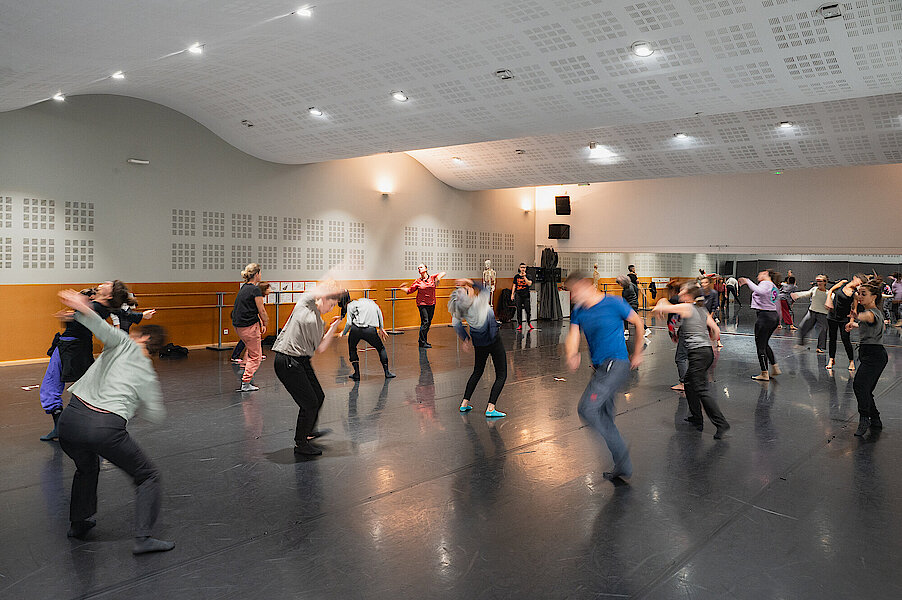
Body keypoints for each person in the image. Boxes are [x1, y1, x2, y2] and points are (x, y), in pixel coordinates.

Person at [53, 289, 173, 554]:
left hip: (70, 421)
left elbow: (100, 327)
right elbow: (155, 413)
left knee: (87, 467)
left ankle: (79, 523)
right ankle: (143, 538)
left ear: (143, 337)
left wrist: (81, 306)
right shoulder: (148, 373)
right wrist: (134, 403)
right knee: (148, 476)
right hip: (104, 428)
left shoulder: (122, 343)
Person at [564, 271, 645, 483]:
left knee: (587, 408)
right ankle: (621, 465)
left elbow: (638, 322)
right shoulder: (579, 310)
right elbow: (573, 335)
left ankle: (623, 457)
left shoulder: (614, 303)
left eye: (574, 291)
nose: (573, 297)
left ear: (585, 285)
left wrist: (637, 352)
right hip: (600, 368)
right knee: (605, 418)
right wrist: (572, 353)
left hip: (616, 364)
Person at [39, 281, 131, 441]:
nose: (104, 283)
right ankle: (62, 428)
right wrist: (71, 315)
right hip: (70, 346)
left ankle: (80, 426)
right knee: (56, 386)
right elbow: (80, 317)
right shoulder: (96, 305)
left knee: (59, 386)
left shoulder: (98, 308)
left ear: (109, 295)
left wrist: (76, 301)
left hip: (74, 348)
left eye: (109, 284)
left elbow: (86, 311)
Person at [272, 284, 343, 456]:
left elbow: (321, 347)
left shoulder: (318, 320)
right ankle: (301, 443)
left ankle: (309, 431)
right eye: (331, 304)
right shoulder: (305, 305)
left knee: (319, 396)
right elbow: (316, 289)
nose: (331, 309)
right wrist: (335, 288)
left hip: (302, 360)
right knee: (309, 403)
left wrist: (334, 326)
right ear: (323, 298)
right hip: (287, 361)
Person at [652, 282, 730, 439]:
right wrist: (710, 342)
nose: (679, 294)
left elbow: (663, 308)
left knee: (701, 389)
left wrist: (661, 302)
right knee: (688, 382)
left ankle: (721, 423)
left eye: (682, 292)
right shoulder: (701, 309)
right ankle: (696, 416)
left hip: (698, 354)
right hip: (706, 352)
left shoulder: (687, 307)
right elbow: (716, 329)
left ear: (688, 296)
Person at [449, 279, 507, 418]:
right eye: (466, 289)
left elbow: (456, 324)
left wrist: (466, 339)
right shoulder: (478, 302)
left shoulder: (460, 309)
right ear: (468, 296)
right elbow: (486, 289)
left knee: (477, 371)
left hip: (479, 342)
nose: (468, 288)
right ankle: (491, 408)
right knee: (501, 374)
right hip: (493, 340)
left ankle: (464, 403)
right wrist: (471, 281)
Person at [846, 279, 887, 436]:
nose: (860, 296)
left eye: (864, 294)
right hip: (871, 354)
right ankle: (875, 419)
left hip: (874, 356)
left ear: (874, 297)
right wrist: (855, 324)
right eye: (859, 293)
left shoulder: (873, 313)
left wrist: (857, 316)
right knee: (866, 389)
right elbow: (870, 324)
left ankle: (864, 418)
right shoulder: (876, 313)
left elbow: (868, 317)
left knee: (859, 385)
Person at [337, 291, 395, 381]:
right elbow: (379, 313)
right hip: (370, 330)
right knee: (381, 348)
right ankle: (387, 372)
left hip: (356, 329)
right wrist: (381, 328)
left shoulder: (351, 305)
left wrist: (343, 333)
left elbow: (349, 323)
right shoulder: (372, 303)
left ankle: (356, 374)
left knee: (352, 348)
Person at [739, 269, 782, 381]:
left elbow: (760, 291)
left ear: (766, 274)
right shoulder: (773, 286)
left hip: (765, 317)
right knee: (764, 343)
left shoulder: (765, 283)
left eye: (760, 273)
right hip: (773, 316)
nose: (758, 275)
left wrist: (747, 281)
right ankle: (775, 367)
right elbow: (777, 304)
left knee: (760, 346)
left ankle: (764, 373)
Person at [232, 263, 269, 392]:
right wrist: (265, 322)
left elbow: (249, 309)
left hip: (239, 326)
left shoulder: (244, 288)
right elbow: (261, 310)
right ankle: (246, 382)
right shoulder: (255, 290)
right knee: (256, 356)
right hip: (249, 327)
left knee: (250, 349)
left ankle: (245, 367)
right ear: (257, 274)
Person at [401, 263, 445, 348]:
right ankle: (422, 342)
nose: (419, 269)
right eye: (418, 268)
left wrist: (438, 278)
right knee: (425, 321)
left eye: (421, 267)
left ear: (426, 268)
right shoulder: (418, 281)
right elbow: (409, 291)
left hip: (431, 303)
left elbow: (443, 273)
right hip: (422, 304)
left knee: (428, 323)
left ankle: (423, 340)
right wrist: (403, 288)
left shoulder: (432, 278)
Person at [825, 275, 863, 370]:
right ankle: (831, 359)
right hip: (832, 316)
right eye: (859, 281)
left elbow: (854, 310)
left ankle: (851, 361)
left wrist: (851, 322)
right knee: (832, 338)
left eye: (861, 283)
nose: (859, 284)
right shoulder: (843, 283)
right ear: (855, 278)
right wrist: (828, 300)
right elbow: (830, 290)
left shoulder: (855, 294)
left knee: (845, 339)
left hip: (844, 318)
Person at [231, 282, 272, 364]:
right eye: (268, 288)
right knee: (247, 340)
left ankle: (256, 355)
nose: (270, 290)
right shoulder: (256, 296)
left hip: (248, 321)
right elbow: (260, 312)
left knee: (255, 339)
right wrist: (264, 323)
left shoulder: (257, 296)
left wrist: (262, 324)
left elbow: (257, 313)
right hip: (246, 322)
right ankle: (236, 356)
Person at [792, 275, 830, 353]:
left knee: (823, 331)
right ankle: (801, 343)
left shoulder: (828, 293)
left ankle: (820, 347)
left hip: (823, 314)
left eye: (820, 281)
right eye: (818, 281)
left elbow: (832, 301)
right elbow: (807, 293)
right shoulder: (814, 289)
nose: (819, 283)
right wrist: (797, 295)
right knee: (803, 327)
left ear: (825, 282)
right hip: (812, 312)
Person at [664, 279, 687, 392]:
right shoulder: (687, 300)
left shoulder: (674, 300)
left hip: (685, 330)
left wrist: (672, 334)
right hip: (696, 330)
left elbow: (671, 320)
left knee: (680, 357)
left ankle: (683, 383)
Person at [511, 262, 533, 330]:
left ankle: (529, 322)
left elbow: (529, 283)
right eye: (521, 267)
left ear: (525, 269)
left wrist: (524, 277)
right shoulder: (516, 276)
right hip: (518, 294)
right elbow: (514, 285)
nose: (523, 269)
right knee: (519, 310)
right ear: (519, 268)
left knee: (528, 310)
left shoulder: (528, 276)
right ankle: (520, 324)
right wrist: (512, 294)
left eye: (524, 267)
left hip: (526, 295)